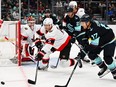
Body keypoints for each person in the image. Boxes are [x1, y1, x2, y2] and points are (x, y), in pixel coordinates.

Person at [80, 14, 116, 79]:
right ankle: (103, 67)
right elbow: (86, 35)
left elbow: (93, 45)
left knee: (107, 58)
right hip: (101, 40)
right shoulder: (88, 26)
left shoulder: (94, 29)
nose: (81, 24)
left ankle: (114, 71)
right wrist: (84, 41)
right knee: (91, 54)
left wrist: (83, 52)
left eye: (83, 23)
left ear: (88, 22)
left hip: (109, 41)